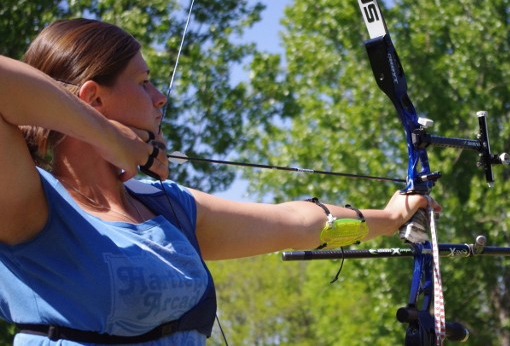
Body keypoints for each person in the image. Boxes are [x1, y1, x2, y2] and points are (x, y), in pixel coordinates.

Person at [0, 18, 438, 345]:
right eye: (143, 82)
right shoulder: (31, 204)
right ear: (94, 97)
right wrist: (111, 136)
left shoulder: (165, 207)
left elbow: (302, 223)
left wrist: (391, 215)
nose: (160, 97)